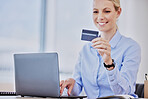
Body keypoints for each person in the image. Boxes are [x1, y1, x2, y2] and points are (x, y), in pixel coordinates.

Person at [60, 0, 141, 98]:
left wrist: (109, 64)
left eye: (106, 11)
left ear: (118, 12)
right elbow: (78, 87)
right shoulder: (86, 50)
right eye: (95, 11)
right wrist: (71, 85)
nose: (100, 17)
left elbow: (124, 92)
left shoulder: (131, 47)